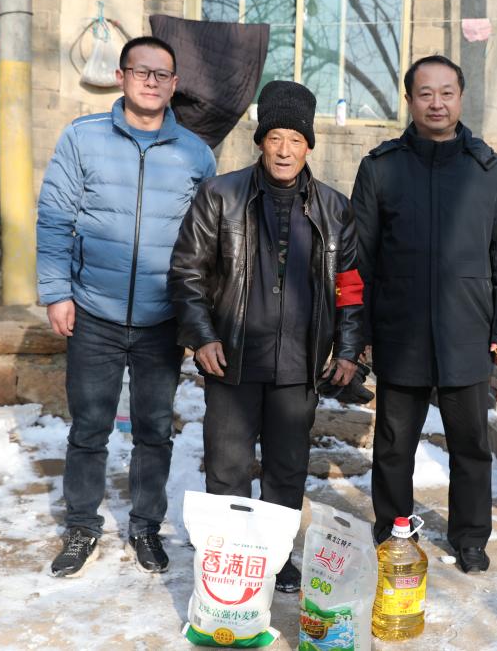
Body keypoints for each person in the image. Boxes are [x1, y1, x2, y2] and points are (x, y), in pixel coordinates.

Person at [168, 80, 364, 592]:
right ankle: (230, 560)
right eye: (275, 137)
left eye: (295, 140)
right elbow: (187, 273)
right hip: (232, 358)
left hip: (299, 363)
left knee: (286, 470)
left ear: (308, 146)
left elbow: (349, 285)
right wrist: (202, 336)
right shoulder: (221, 196)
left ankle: (275, 558)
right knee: (228, 467)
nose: (284, 150)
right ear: (260, 141)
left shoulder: (334, 208)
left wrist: (347, 349)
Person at [37, 36, 216, 577]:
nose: (151, 82)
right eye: (142, 71)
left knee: (154, 430)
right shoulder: (83, 137)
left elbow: (208, 245)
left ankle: (145, 527)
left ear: (174, 84)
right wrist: (57, 292)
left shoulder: (195, 154)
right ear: (121, 76)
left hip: (163, 318)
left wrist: (198, 316)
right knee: (89, 426)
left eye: (162, 74)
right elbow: (55, 218)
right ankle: (81, 525)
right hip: (94, 311)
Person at [352, 55, 497, 573]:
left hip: (467, 329)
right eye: (425, 93)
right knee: (393, 444)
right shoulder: (381, 168)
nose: (436, 103)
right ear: (409, 100)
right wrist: (359, 329)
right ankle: (392, 529)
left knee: (470, 443)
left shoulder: (488, 170)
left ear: (460, 98)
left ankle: (470, 538)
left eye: (446, 92)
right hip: (399, 327)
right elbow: (359, 259)